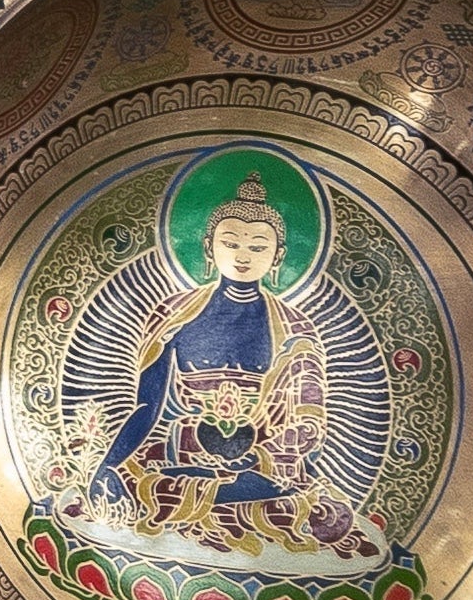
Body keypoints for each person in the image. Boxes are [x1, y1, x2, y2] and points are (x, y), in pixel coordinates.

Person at [72, 174, 378, 570]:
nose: (243, 255)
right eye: (230, 242)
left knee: (307, 503)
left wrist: (270, 447)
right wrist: (108, 466)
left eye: (257, 245)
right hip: (178, 453)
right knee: (135, 482)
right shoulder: (175, 316)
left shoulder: (295, 328)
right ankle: (211, 496)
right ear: (208, 247)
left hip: (262, 465)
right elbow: (147, 407)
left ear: (279, 254)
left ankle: (216, 498)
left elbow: (308, 422)